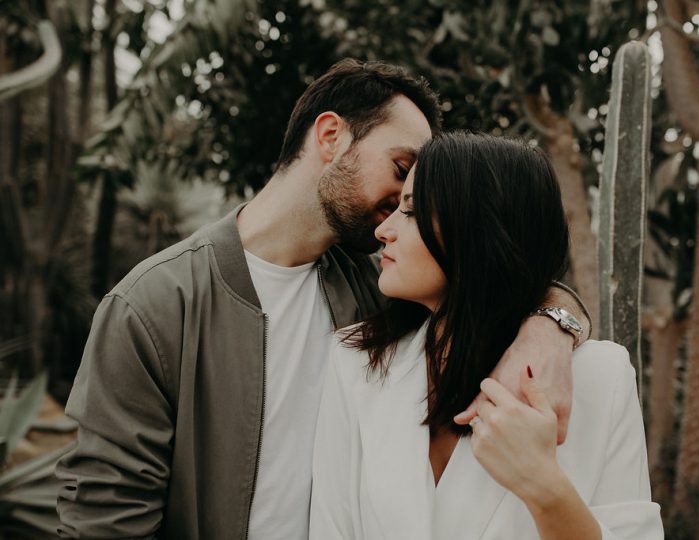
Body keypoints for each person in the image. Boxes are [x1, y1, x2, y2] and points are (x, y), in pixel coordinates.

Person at [55, 60, 591, 539]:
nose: (411, 202)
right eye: (403, 172)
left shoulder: (378, 291)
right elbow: (104, 520)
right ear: (331, 136)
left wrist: (550, 322)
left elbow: (493, 274)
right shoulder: (154, 306)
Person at [309, 132, 663, 540]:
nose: (384, 230)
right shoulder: (356, 362)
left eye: (410, 210)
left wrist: (543, 487)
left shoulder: (602, 377)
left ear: (479, 230)